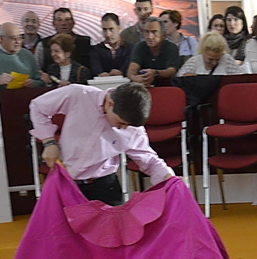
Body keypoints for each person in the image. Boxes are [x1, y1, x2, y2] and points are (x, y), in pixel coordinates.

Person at [29, 82, 174, 206]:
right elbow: (37, 107)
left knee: (113, 236)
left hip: (105, 186)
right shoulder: (79, 94)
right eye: (121, 123)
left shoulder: (133, 130)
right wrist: (49, 142)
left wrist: (169, 178)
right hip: (65, 183)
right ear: (110, 103)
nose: (123, 128)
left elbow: (149, 161)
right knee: (61, 236)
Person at [0, 22, 43, 88]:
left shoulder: (27, 54)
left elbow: (40, 81)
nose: (17, 41)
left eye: (20, 37)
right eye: (13, 38)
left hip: (26, 96)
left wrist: (34, 83)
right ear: (1, 39)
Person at [127, 16, 181, 87]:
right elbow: (132, 70)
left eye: (154, 32)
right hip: (144, 87)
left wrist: (155, 73)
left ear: (163, 34)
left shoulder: (171, 47)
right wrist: (136, 78)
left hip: (166, 87)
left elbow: (171, 71)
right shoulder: (140, 46)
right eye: (147, 32)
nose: (150, 36)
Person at [34, 8, 92, 73]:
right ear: (53, 24)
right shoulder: (43, 45)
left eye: (67, 20)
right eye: (59, 20)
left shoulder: (86, 42)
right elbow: (37, 70)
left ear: (73, 22)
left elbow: (94, 66)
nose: (63, 23)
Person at [177, 31, 246, 76]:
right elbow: (180, 78)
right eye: (210, 59)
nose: (214, 63)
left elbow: (238, 79)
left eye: (217, 59)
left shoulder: (227, 60)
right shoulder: (194, 61)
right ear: (204, 52)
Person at [90, 13, 132, 77]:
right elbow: (96, 68)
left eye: (111, 29)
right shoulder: (95, 50)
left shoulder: (131, 48)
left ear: (119, 28)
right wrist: (100, 74)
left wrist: (122, 72)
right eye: (104, 30)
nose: (108, 34)